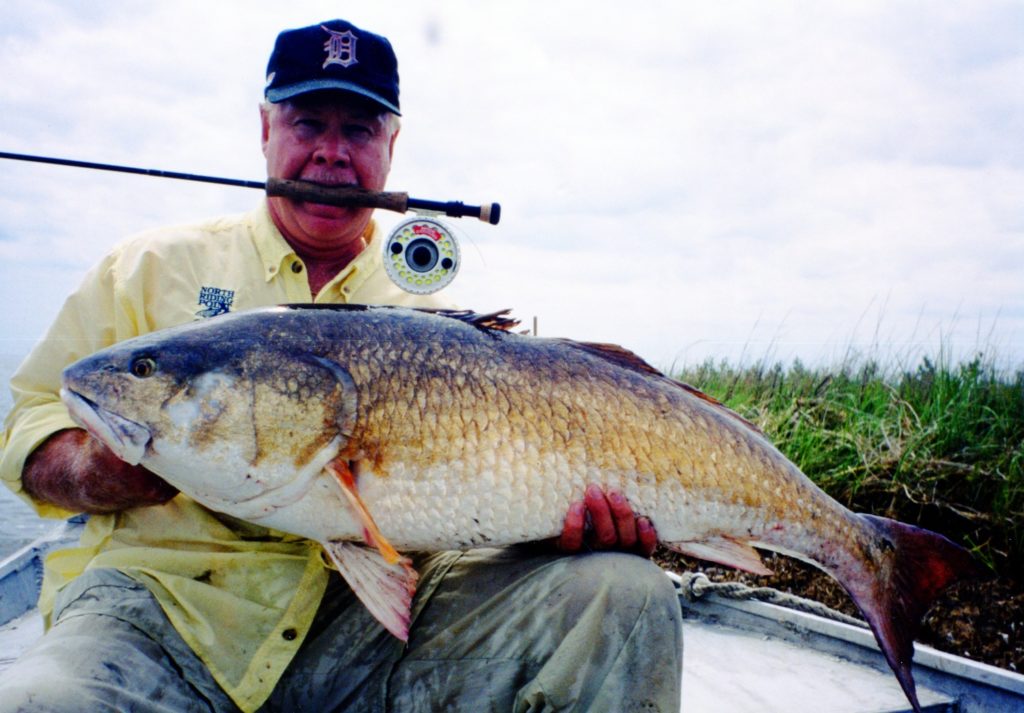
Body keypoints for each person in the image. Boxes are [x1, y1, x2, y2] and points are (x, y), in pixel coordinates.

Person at [0, 19, 683, 712]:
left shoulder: (428, 314)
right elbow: (32, 414)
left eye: (358, 129)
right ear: (265, 129)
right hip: (159, 611)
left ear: (391, 145)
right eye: (306, 121)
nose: (330, 152)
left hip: (365, 632)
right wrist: (89, 469)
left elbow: (448, 515)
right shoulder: (148, 269)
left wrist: (564, 537)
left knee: (624, 598)